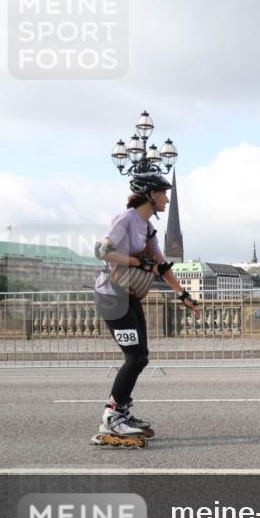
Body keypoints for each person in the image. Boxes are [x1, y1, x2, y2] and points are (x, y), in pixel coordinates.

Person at [91, 171, 200, 448]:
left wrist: (183, 295)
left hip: (129, 296)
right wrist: (140, 263)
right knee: (135, 357)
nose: (166, 198)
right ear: (150, 194)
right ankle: (113, 416)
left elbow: (161, 265)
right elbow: (102, 251)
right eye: (163, 193)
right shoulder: (127, 218)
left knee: (142, 357)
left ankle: (121, 411)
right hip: (112, 295)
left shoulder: (148, 227)